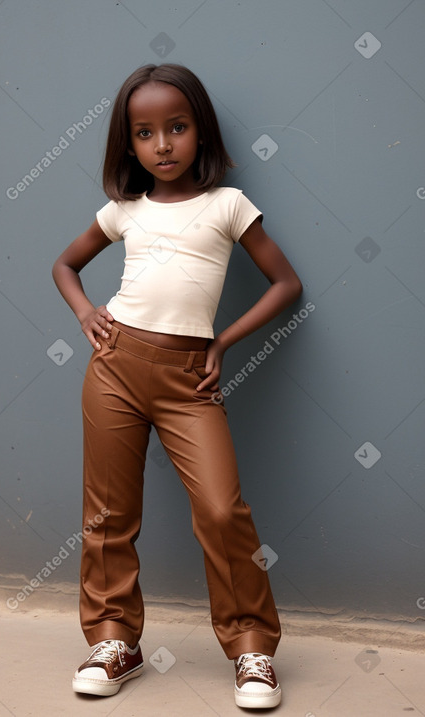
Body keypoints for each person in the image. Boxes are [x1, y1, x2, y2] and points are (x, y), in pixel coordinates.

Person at [52, 63, 302, 710]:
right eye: (144, 132)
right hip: (114, 367)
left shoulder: (228, 206)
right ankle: (114, 641)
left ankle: (252, 646)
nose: (162, 145)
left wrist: (222, 341)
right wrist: (86, 312)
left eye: (177, 127)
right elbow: (66, 264)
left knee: (222, 509)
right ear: (128, 143)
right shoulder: (124, 210)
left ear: (200, 132)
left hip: (189, 376)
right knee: (108, 514)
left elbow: (287, 284)